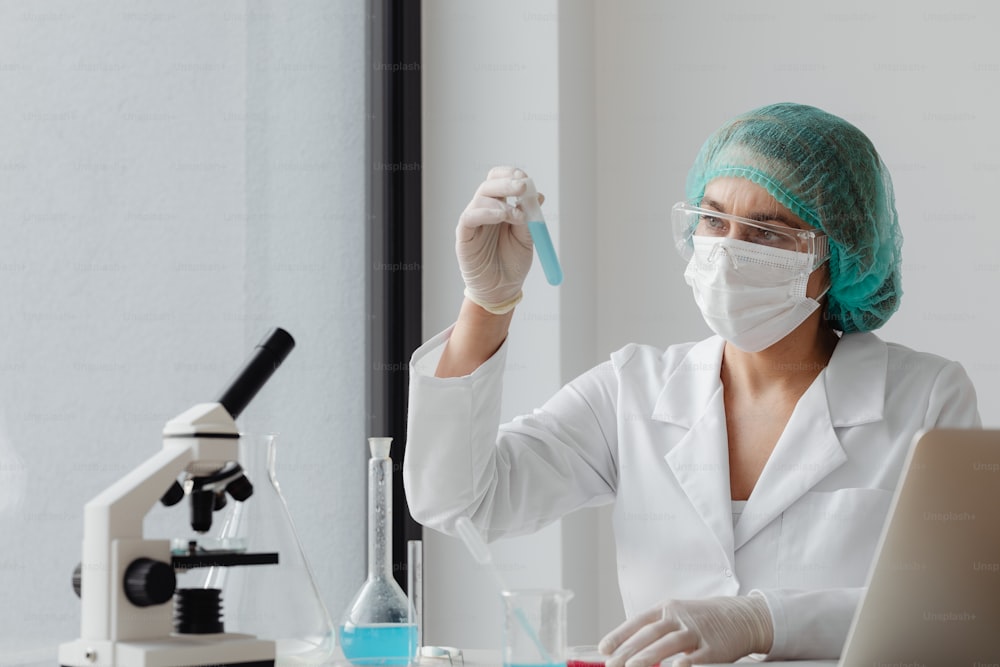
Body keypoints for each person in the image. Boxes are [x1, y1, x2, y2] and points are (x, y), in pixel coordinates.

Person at [402, 103, 980, 665]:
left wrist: (765, 622)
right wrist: (488, 303)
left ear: (840, 257)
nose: (729, 250)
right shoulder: (632, 390)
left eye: (769, 232)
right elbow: (457, 502)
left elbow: (957, 610)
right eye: (713, 218)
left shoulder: (925, 398)